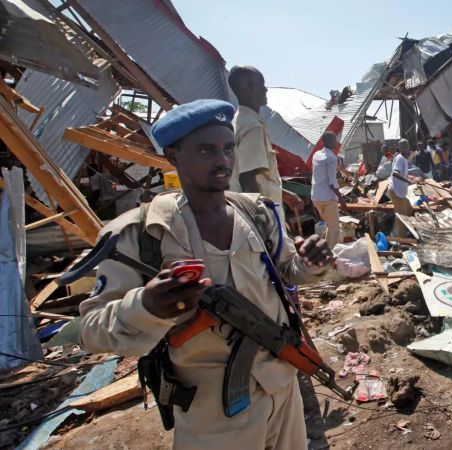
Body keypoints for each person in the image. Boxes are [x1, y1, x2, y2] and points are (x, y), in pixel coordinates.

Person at [79, 99, 332, 449]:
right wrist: (148, 306)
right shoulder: (138, 233)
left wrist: (312, 263)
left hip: (282, 386)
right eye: (206, 150)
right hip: (213, 413)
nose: (223, 160)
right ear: (172, 156)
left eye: (228, 148)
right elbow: (91, 332)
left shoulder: (256, 213)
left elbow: (288, 272)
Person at [227, 66, 303, 222]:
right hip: (265, 217)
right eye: (261, 84)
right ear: (251, 85)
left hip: (247, 210)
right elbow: (248, 180)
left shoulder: (237, 122)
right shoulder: (252, 127)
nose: (265, 89)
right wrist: (260, 226)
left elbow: (259, 177)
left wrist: (284, 194)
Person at [311, 131, 348, 249]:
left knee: (329, 226)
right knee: (335, 229)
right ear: (329, 142)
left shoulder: (316, 155)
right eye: (334, 140)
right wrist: (341, 200)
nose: (336, 142)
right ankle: (333, 256)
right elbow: (332, 182)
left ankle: (326, 249)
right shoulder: (331, 158)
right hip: (327, 198)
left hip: (316, 197)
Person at [387, 139, 418, 236]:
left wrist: (411, 178)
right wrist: (408, 181)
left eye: (407, 145)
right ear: (400, 148)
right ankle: (402, 240)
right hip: (396, 193)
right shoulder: (400, 158)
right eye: (404, 146)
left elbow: (402, 174)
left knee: (409, 208)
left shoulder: (404, 159)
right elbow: (395, 173)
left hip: (401, 194)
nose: (407, 148)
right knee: (402, 217)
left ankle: (407, 230)